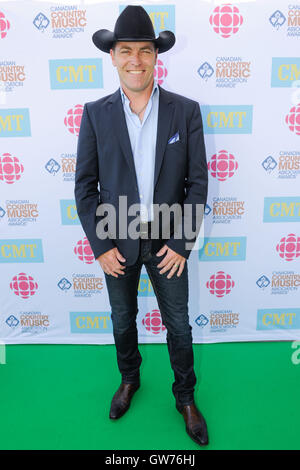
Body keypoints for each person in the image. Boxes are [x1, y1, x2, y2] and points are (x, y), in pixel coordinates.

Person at [75, 5, 209, 447]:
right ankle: (129, 380)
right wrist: (100, 246)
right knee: (121, 319)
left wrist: (182, 242)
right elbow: (86, 188)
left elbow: (197, 183)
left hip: (169, 240)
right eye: (126, 50)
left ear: (156, 56)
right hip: (117, 239)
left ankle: (185, 397)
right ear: (112, 56)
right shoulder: (95, 115)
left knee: (180, 326)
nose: (136, 59)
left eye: (145, 51)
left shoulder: (186, 112)